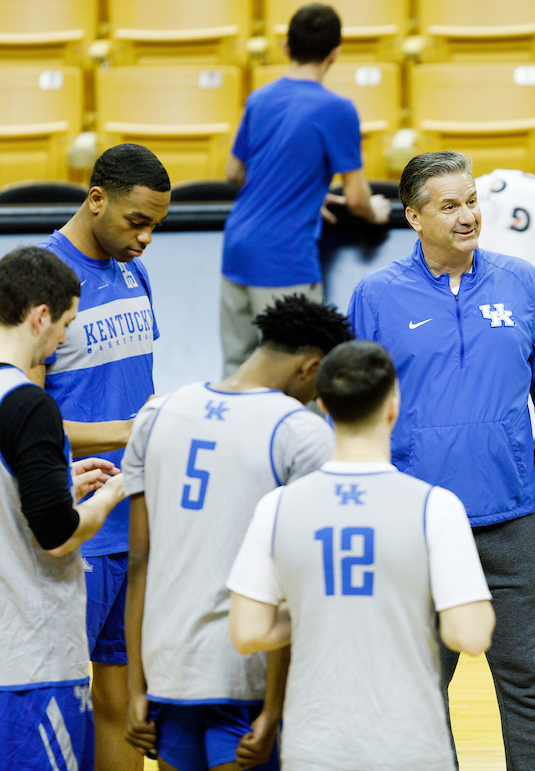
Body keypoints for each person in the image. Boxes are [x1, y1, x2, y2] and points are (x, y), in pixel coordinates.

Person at [346, 151, 535, 771]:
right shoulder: (374, 297)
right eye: (449, 205)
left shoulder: (522, 281)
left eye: (472, 202)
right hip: (417, 528)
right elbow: (355, 411)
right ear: (413, 216)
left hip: (513, 522)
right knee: (421, 693)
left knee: (528, 683)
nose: (467, 217)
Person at [226, 340, 495, 770]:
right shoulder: (436, 507)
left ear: (325, 409)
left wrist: (314, 612)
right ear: (392, 408)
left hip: (313, 746)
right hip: (410, 744)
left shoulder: (277, 507)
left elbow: (247, 632)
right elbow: (471, 636)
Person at [0, 246, 128, 770]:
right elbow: (57, 532)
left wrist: (57, 481)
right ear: (40, 317)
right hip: (26, 660)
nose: (63, 339)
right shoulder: (29, 404)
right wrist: (116, 491)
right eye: (66, 323)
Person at [122, 296, 350, 770]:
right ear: (311, 366)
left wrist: (136, 688)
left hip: (169, 670)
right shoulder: (301, 434)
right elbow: (299, 588)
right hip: (246, 678)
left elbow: (139, 560)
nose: (316, 399)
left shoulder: (157, 415)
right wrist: (274, 709)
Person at [34, 143, 171, 771]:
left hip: (134, 520)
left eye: (155, 225)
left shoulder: (132, 268)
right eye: (135, 221)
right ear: (96, 199)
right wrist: (131, 428)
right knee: (60, 702)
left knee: (125, 701)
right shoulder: (40, 278)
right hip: (77, 527)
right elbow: (21, 420)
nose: (145, 237)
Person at [221, 2, 392, 377]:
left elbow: (235, 172)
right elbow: (358, 198)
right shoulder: (337, 109)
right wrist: (377, 212)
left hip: (236, 246)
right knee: (301, 373)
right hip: (284, 258)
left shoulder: (260, 98)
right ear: (335, 53)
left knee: (237, 369)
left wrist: (301, 193)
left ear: (286, 47)